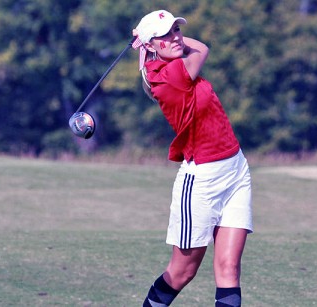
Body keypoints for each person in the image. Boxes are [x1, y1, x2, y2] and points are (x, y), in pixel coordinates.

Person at [131, 9, 253, 307]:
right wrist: (146, 43)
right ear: (150, 45)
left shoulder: (164, 64)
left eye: (176, 30)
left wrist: (149, 43)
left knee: (229, 269)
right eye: (165, 35)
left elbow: (181, 48)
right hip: (202, 181)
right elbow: (202, 47)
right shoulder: (172, 75)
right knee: (182, 272)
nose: (176, 38)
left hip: (236, 169)